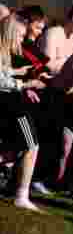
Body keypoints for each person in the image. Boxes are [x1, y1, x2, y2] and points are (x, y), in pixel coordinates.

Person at [0, 14, 47, 212]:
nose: (22, 39)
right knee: (32, 145)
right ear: (10, 34)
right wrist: (25, 83)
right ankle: (22, 195)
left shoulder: (5, 52)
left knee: (19, 147)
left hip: (12, 102)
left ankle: (20, 192)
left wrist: (17, 73)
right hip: (12, 105)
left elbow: (3, 73)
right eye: (19, 36)